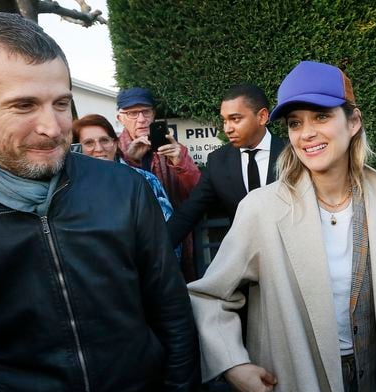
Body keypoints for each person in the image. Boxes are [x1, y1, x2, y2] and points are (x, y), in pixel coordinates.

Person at [0, 12, 197, 392]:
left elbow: (172, 313)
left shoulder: (125, 189)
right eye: (23, 106)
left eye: (62, 103)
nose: (52, 127)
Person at [188, 61, 376, 392]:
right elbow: (209, 296)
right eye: (295, 123)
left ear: (353, 122)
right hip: (296, 378)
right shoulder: (262, 209)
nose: (306, 133)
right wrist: (233, 364)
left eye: (321, 116)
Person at [167, 84, 286, 248]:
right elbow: (188, 212)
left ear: (262, 116)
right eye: (224, 120)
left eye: (235, 119)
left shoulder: (293, 154)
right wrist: (153, 251)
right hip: (245, 261)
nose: (227, 129)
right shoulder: (218, 161)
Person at [117, 87, 201, 281]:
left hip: (172, 237)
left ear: (154, 114)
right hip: (131, 241)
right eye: (132, 113)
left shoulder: (174, 149)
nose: (141, 119)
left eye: (146, 111)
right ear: (120, 117)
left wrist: (180, 163)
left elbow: (197, 192)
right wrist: (130, 160)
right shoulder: (114, 150)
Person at [72, 113, 174, 222]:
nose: (99, 148)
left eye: (104, 140)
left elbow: (165, 226)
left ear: (115, 144)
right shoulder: (68, 188)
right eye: (89, 143)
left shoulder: (146, 180)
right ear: (77, 148)